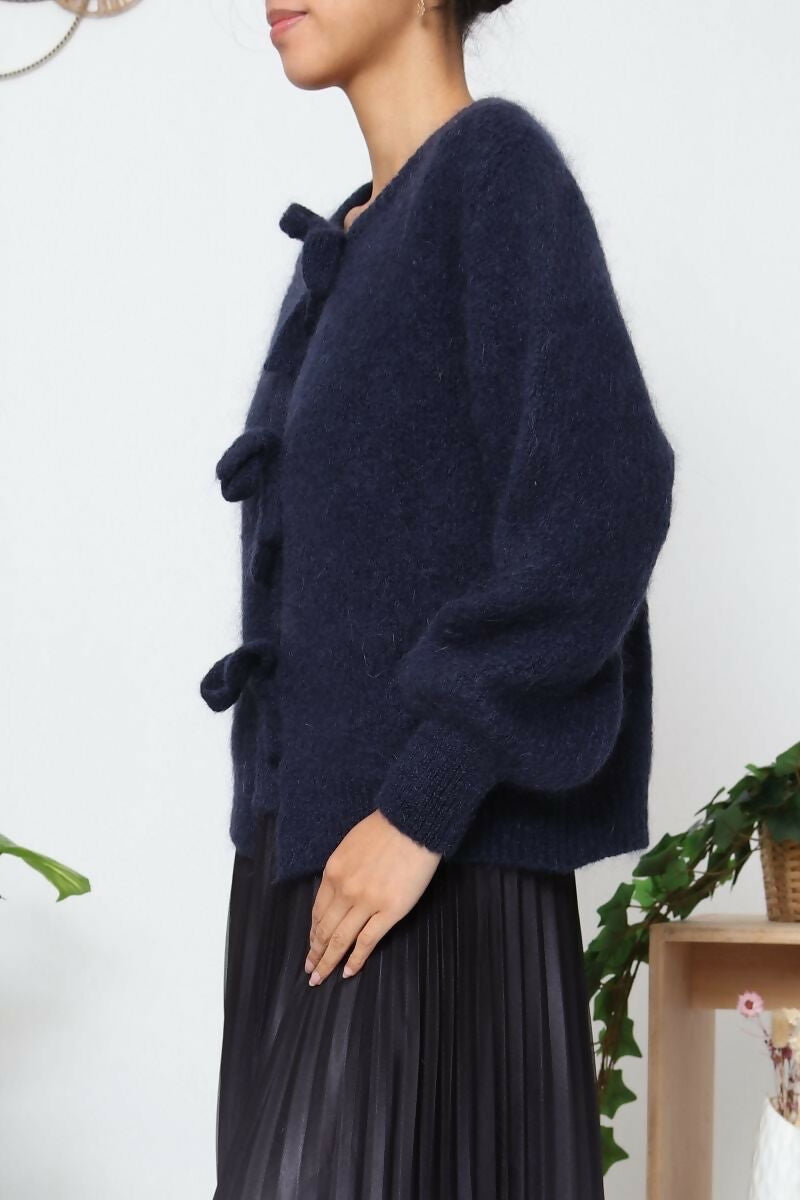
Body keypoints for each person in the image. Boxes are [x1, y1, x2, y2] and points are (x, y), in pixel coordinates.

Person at [201, 0, 676, 1196]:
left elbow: (601, 497)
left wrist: (418, 809)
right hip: (310, 875)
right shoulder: (350, 237)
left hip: (429, 874)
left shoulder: (491, 172)